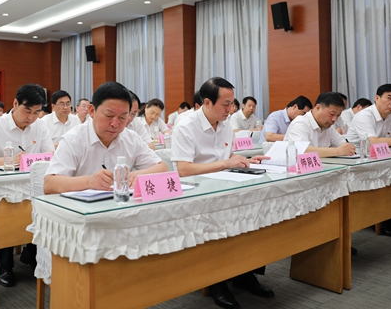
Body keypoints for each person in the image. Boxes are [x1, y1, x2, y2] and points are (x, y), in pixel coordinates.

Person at [171, 77, 272, 309]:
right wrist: (226, 164)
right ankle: (217, 281)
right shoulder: (186, 125)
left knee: (255, 212)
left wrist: (246, 160)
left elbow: (226, 158)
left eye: (232, 104)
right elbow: (184, 170)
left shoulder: (225, 124)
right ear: (207, 102)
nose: (230, 109)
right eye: (225, 104)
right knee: (218, 222)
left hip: (224, 184)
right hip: (197, 193)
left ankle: (245, 273)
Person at [0, 84, 54, 288]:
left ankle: (31, 252)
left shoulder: (40, 126)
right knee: (6, 218)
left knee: (46, 211)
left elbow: (50, 156)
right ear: (15, 103)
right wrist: (10, 160)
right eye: (27, 111)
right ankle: (6, 265)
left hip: (33, 187)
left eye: (37, 112)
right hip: (3, 187)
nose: (31, 117)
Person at [44, 81, 167, 194]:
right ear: (92, 111)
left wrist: (136, 175)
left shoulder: (132, 139)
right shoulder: (73, 139)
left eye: (123, 117)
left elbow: (163, 168)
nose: (115, 124)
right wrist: (89, 182)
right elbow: (49, 185)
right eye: (109, 115)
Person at [346, 84, 391, 238]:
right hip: (357, 162)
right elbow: (372, 143)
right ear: (377, 98)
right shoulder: (365, 116)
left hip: (379, 159)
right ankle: (381, 222)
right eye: (389, 98)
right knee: (386, 184)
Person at [284, 92, 356, 157]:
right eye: (332, 114)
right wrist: (337, 151)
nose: (334, 119)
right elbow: (301, 150)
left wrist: (348, 148)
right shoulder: (300, 123)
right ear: (318, 108)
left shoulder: (329, 127)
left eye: (338, 115)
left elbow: (343, 144)